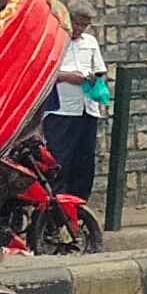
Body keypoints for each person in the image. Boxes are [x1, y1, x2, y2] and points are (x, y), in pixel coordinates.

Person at [41, 24, 109, 204]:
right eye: (77, 23)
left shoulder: (90, 42)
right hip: (62, 110)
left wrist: (95, 80)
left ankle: (78, 205)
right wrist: (66, 76)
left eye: (84, 25)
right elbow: (44, 71)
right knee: (59, 159)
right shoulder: (54, 40)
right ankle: (54, 207)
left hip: (87, 109)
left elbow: (100, 71)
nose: (80, 28)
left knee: (84, 160)